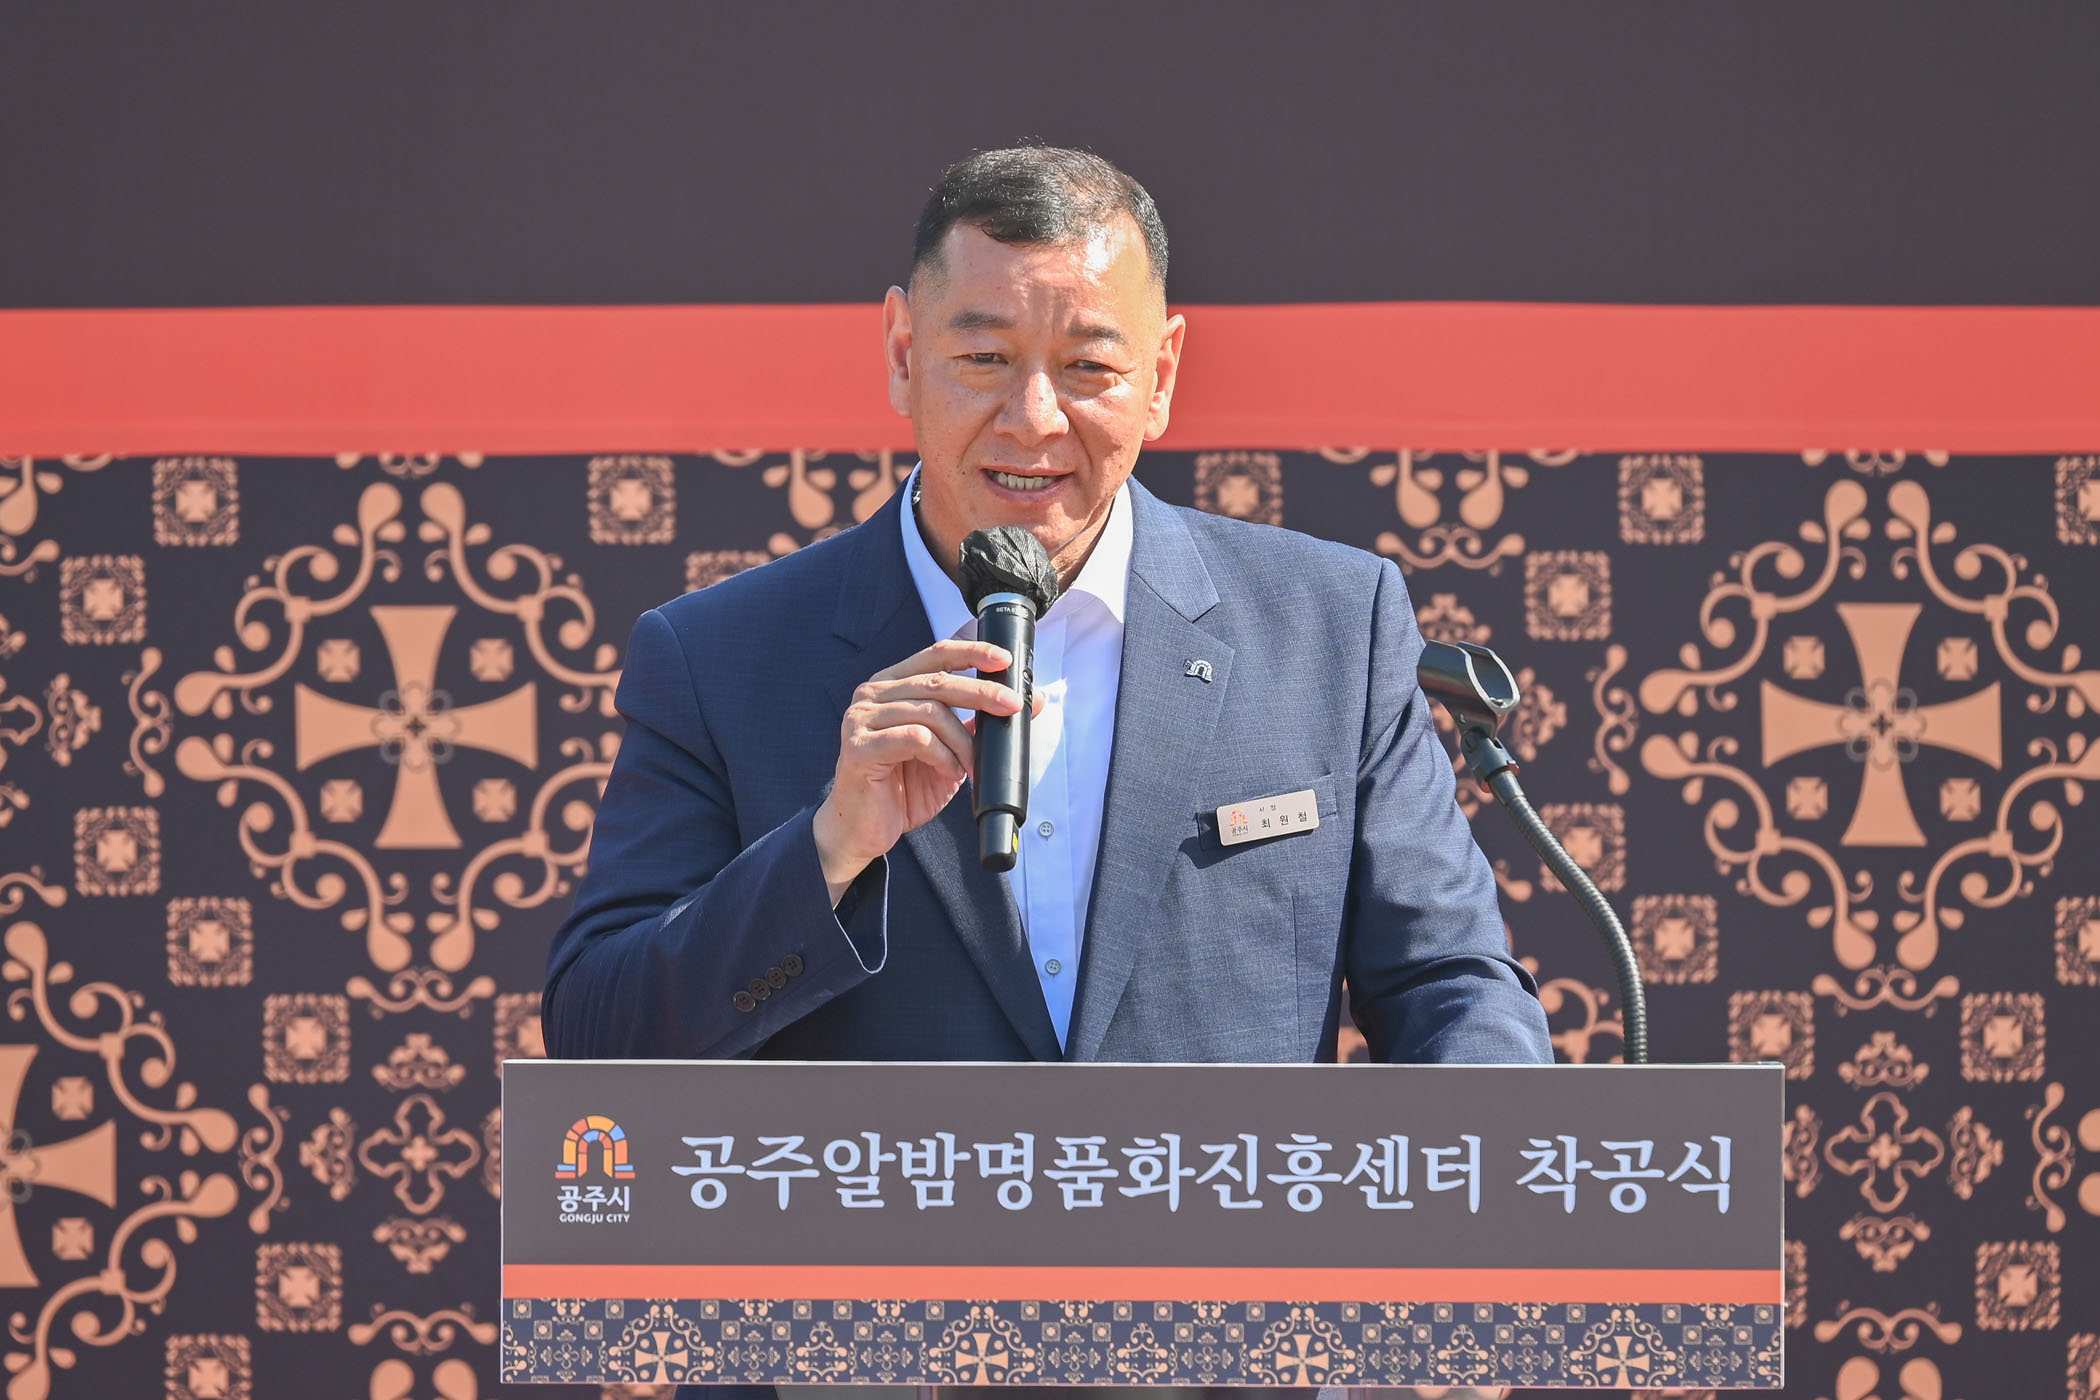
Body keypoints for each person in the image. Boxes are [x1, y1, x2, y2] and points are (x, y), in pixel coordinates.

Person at [543, 146, 1552, 1400]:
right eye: (983, 358)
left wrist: (1429, 1237)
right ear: (902, 352)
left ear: (1163, 374)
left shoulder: (1330, 627)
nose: (1033, 420)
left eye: (1089, 368)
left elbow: (1454, 986)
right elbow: (602, 1043)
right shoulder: (717, 656)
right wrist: (826, 850)